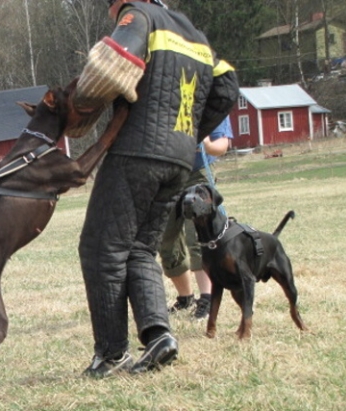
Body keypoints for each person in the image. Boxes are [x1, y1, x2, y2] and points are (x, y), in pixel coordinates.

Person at [65, 0, 239, 377]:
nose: (111, 13)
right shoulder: (194, 33)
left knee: (102, 248)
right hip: (179, 159)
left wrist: (75, 110)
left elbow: (106, 64)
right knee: (142, 248)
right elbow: (227, 86)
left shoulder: (137, 15)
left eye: (110, 7)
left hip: (137, 152)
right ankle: (159, 336)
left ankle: (111, 356)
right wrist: (191, 129)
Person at [160, 116, 234, 320]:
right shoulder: (167, 98)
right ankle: (185, 298)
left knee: (198, 237)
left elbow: (223, 145)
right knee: (166, 239)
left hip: (198, 174)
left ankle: (207, 299)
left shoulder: (210, 101)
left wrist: (207, 144)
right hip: (169, 174)